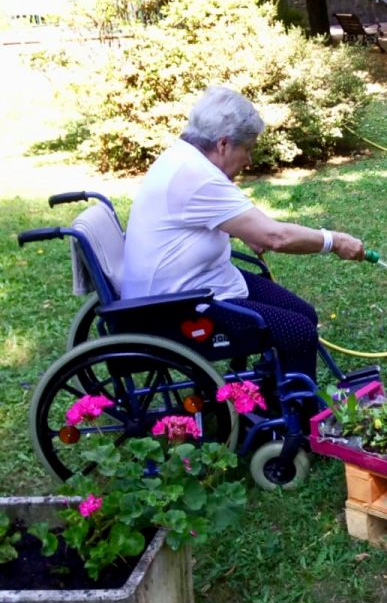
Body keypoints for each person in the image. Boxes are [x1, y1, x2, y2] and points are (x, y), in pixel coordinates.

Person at [121, 85, 365, 389]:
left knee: (304, 314)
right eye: (247, 149)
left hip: (201, 285)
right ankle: (299, 427)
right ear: (223, 144)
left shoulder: (183, 158)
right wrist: (336, 241)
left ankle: (271, 400)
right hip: (178, 307)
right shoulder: (197, 177)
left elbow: (211, 221)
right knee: (298, 331)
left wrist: (246, 229)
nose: (249, 160)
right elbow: (275, 236)